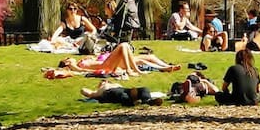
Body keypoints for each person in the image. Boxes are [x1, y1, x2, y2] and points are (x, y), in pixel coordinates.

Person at [50, 43, 180, 78]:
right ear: (66, 62)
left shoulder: (82, 60)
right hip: (106, 65)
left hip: (110, 61)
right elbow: (82, 71)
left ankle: (167, 66)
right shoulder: (74, 65)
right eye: (68, 58)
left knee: (149, 57)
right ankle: (132, 70)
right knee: (123, 45)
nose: (70, 57)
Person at [79, 80, 164, 106]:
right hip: (110, 93)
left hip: (124, 90)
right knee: (122, 95)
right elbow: (84, 91)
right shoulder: (99, 90)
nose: (105, 81)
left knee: (144, 89)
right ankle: (132, 103)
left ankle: (148, 100)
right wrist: (98, 89)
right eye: (103, 81)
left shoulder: (115, 84)